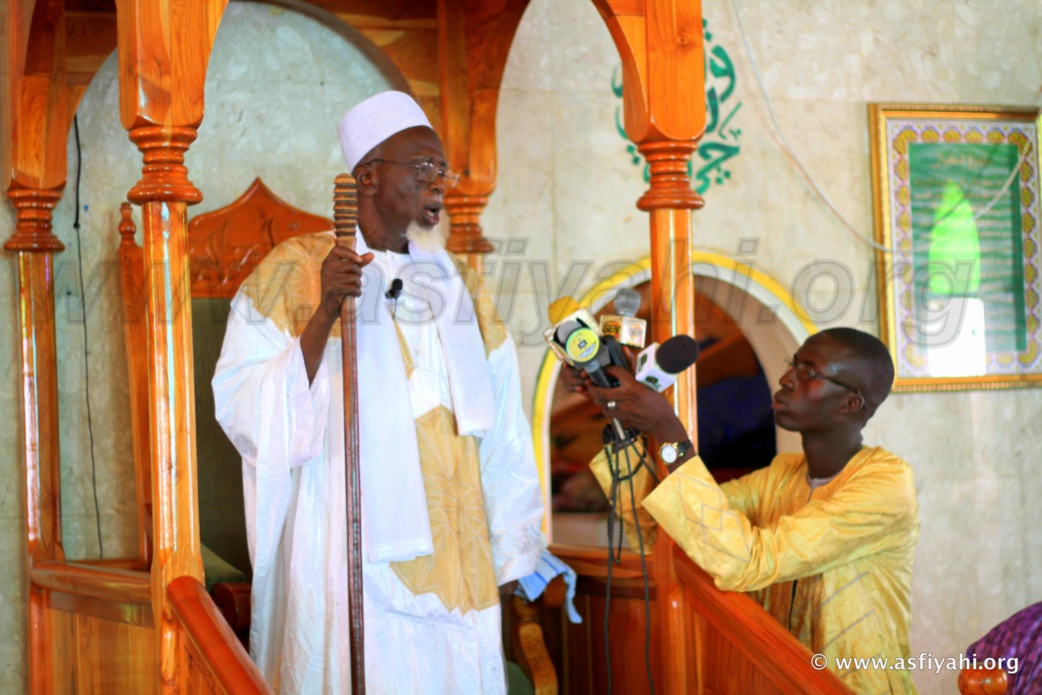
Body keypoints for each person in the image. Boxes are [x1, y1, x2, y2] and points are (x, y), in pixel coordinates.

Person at [213, 91, 545, 694]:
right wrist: (324, 312)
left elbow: (501, 425)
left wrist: (513, 542)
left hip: (456, 555)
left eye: (443, 171)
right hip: (347, 541)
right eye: (423, 167)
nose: (438, 183)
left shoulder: (460, 286)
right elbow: (245, 405)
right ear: (366, 176)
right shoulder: (294, 269)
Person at [562, 327, 920, 694]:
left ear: (850, 404)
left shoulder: (886, 485)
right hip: (779, 683)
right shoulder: (781, 475)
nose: (786, 378)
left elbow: (746, 562)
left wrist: (670, 432)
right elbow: (666, 532)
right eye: (793, 364)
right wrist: (622, 420)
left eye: (809, 372)